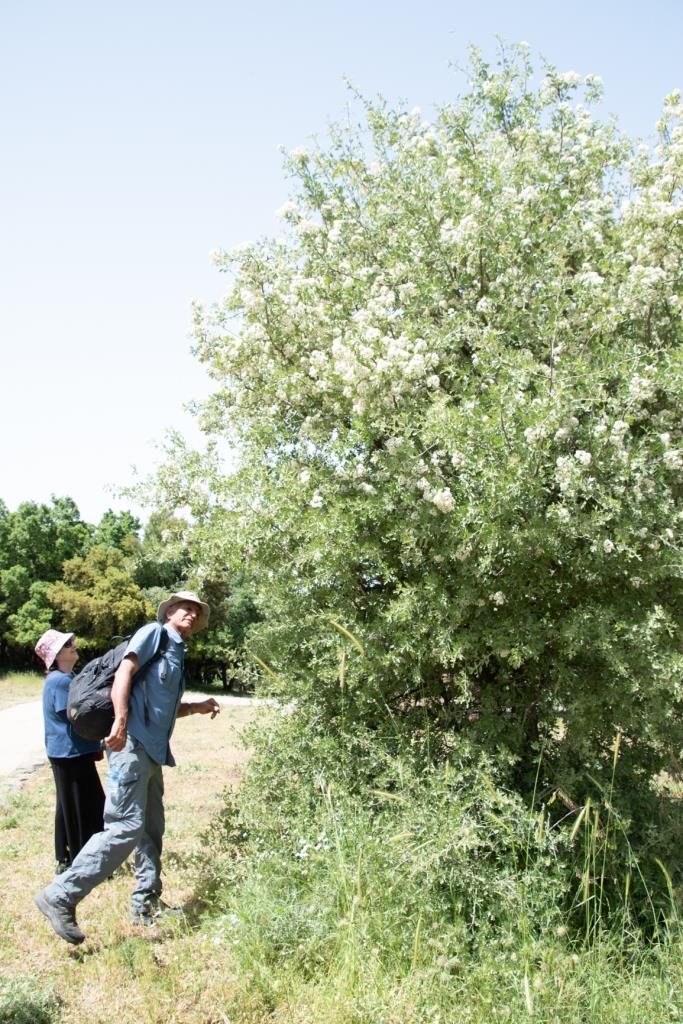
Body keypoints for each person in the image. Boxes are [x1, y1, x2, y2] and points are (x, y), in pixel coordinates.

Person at [34, 591, 220, 945]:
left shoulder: (178, 651)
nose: (191, 614)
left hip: (153, 752)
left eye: (197, 611)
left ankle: (146, 904)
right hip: (130, 745)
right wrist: (119, 720)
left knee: (151, 829)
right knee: (125, 827)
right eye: (185, 607)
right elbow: (125, 673)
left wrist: (197, 707)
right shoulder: (154, 633)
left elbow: (160, 706)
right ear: (169, 610)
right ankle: (61, 895)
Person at [35, 629, 106, 874]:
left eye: (71, 642)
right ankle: (82, 859)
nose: (72, 646)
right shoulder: (60, 681)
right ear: (56, 655)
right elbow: (76, 715)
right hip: (70, 752)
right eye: (66, 645)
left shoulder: (67, 677)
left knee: (68, 804)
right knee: (85, 804)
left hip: (69, 751)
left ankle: (66, 856)